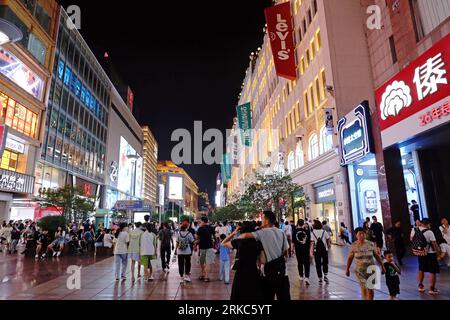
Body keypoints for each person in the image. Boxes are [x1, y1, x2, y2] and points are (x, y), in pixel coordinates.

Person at [238, 211, 290, 301]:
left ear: (266, 221)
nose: (261, 220)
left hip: (267, 273)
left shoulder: (261, 233)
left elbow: (244, 235)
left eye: (262, 218)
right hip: (282, 273)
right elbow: (286, 251)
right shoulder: (281, 232)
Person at [222, 221, 264, 301]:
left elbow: (223, 243)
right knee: (253, 293)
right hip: (253, 270)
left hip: (240, 271)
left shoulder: (239, 242)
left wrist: (234, 232)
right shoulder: (257, 243)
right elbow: (262, 260)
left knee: (239, 293)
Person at [346, 227, 386, 300]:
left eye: (363, 233)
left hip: (371, 270)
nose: (362, 235)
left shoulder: (370, 243)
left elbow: (376, 256)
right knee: (364, 288)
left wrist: (382, 266)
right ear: (356, 235)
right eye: (360, 234)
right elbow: (350, 258)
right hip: (360, 271)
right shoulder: (354, 245)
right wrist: (347, 269)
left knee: (370, 289)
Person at [410, 218, 441, 294]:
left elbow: (411, 239)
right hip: (430, 253)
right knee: (432, 271)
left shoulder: (414, 229)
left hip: (421, 252)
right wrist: (438, 253)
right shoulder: (429, 232)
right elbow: (434, 244)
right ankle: (432, 289)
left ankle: (420, 286)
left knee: (421, 269)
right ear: (428, 224)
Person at [195, 216, 216, 282]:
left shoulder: (200, 229)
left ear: (203, 221)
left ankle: (204, 274)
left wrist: (195, 244)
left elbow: (198, 238)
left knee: (202, 262)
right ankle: (206, 277)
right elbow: (214, 237)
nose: (200, 222)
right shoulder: (212, 228)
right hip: (210, 246)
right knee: (208, 262)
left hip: (202, 247)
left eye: (200, 221)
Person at [310, 220, 330, 284]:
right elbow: (328, 240)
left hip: (316, 250)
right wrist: (328, 246)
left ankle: (320, 278)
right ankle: (326, 276)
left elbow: (312, 243)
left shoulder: (312, 233)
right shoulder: (324, 232)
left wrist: (311, 252)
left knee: (318, 264)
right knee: (325, 262)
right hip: (324, 250)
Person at [293, 219, 311, 285]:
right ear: (303, 223)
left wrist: (292, 250)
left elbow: (293, 242)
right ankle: (307, 277)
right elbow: (309, 241)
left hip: (298, 249)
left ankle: (301, 276)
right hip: (306, 249)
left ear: (297, 223)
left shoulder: (295, 231)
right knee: (307, 263)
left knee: (299, 262)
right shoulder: (307, 231)